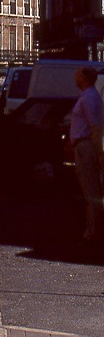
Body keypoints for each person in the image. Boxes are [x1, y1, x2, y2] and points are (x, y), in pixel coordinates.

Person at [69, 66, 104, 241]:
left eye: (77, 74)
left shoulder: (89, 98)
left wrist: (99, 153)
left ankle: (94, 231)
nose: (75, 77)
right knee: (88, 190)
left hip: (86, 147)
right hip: (82, 146)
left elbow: (95, 127)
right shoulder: (87, 96)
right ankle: (91, 228)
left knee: (91, 191)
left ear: (83, 77)